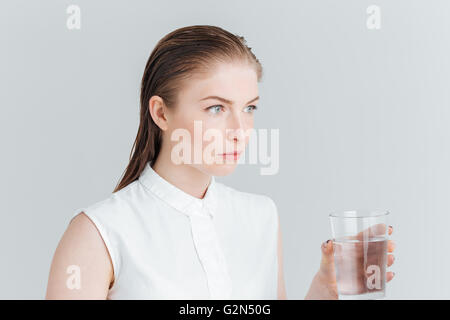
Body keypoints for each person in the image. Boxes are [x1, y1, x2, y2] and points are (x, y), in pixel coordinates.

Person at [45, 25, 395, 300]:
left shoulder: (261, 216)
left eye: (249, 108)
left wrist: (325, 290)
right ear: (161, 113)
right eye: (217, 108)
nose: (241, 130)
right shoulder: (97, 233)